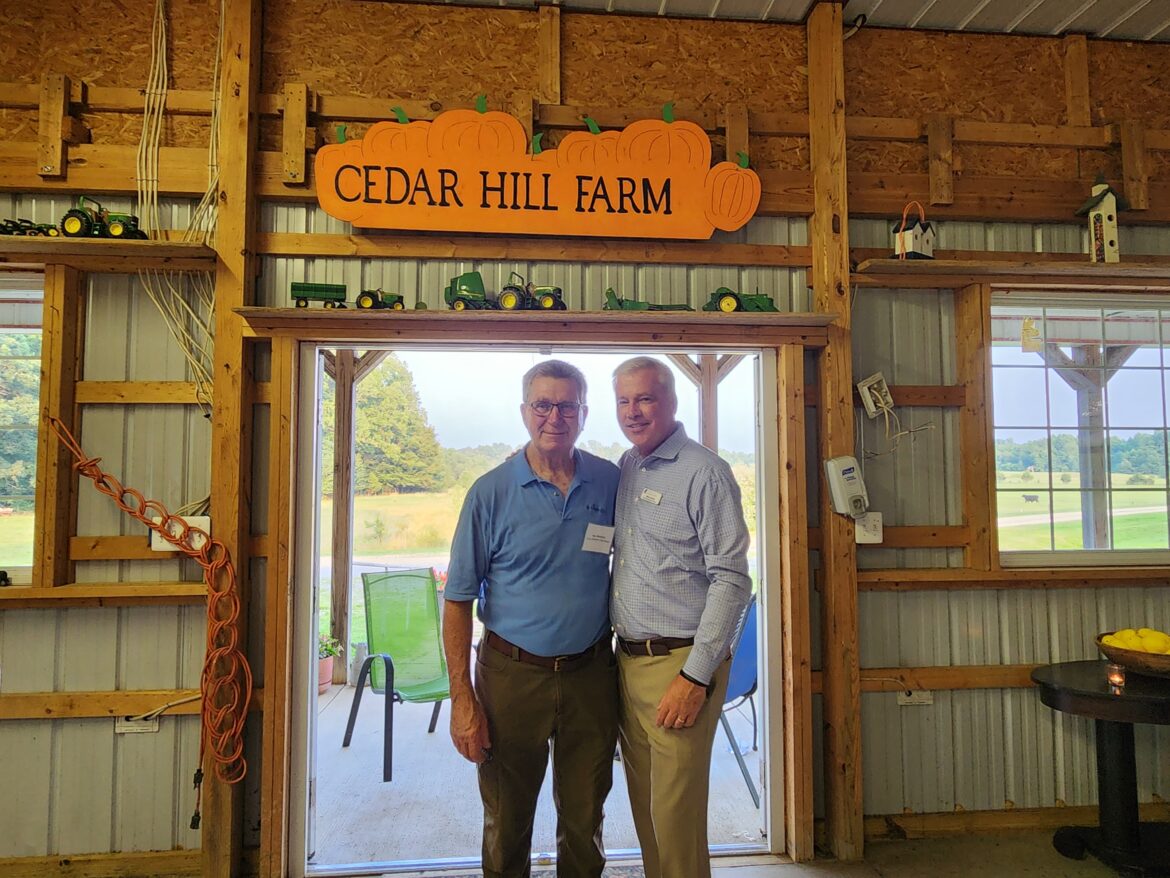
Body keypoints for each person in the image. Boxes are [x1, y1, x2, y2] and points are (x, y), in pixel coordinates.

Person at [443, 359, 621, 878]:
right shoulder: (490, 493)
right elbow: (456, 600)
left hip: (591, 675)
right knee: (507, 819)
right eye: (543, 404)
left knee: (587, 817)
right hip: (511, 678)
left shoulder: (609, 483)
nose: (554, 416)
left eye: (567, 405)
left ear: (584, 414)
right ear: (525, 411)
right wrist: (463, 701)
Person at [610, 355, 752, 878]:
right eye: (624, 400)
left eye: (645, 398)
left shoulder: (703, 472)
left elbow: (733, 579)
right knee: (647, 810)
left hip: (680, 664)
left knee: (674, 819)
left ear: (671, 401)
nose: (633, 411)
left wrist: (695, 675)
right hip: (628, 662)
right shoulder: (629, 467)